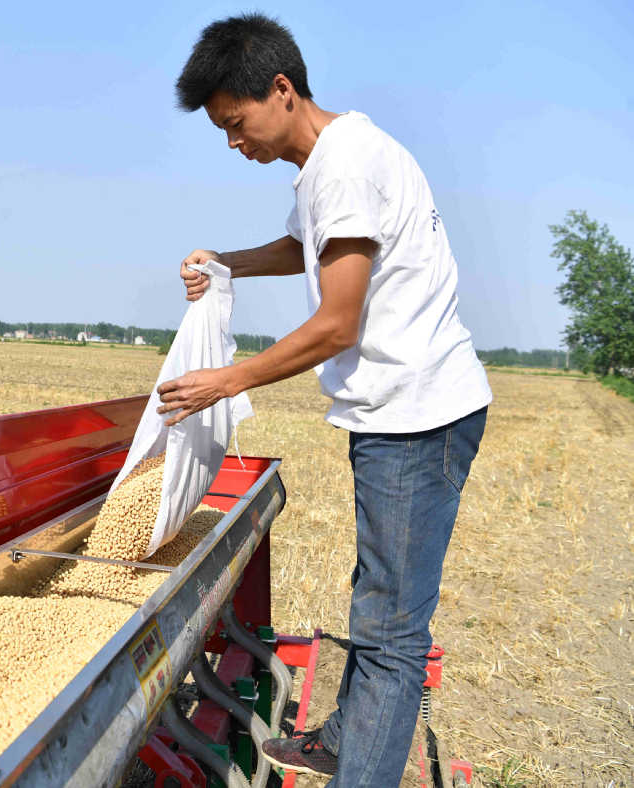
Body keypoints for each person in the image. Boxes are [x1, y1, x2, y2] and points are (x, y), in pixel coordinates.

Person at [157, 14, 491, 787]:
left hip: (416, 418)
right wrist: (226, 264)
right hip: (401, 411)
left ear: (281, 90)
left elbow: (338, 322)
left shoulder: (342, 166)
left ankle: (358, 772)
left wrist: (228, 379)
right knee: (378, 595)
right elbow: (303, 244)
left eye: (237, 126)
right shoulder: (334, 158)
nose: (235, 145)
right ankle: (347, 737)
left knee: (391, 633)